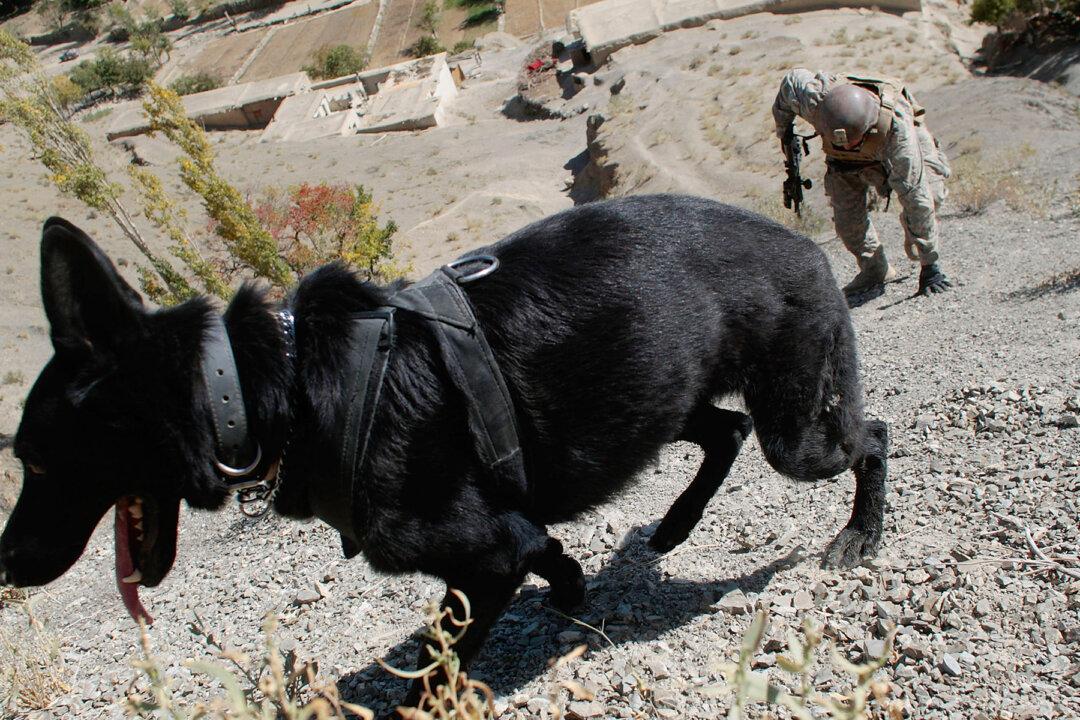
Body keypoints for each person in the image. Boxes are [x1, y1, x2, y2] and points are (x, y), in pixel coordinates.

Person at [772, 69, 953, 298]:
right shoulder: (813, 101)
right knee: (847, 223)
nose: (846, 145)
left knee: (931, 196)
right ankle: (875, 269)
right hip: (844, 164)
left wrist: (930, 267)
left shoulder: (897, 133)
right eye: (841, 141)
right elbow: (790, 81)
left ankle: (924, 252)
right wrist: (785, 130)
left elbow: (916, 196)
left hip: (889, 145)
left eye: (851, 141)